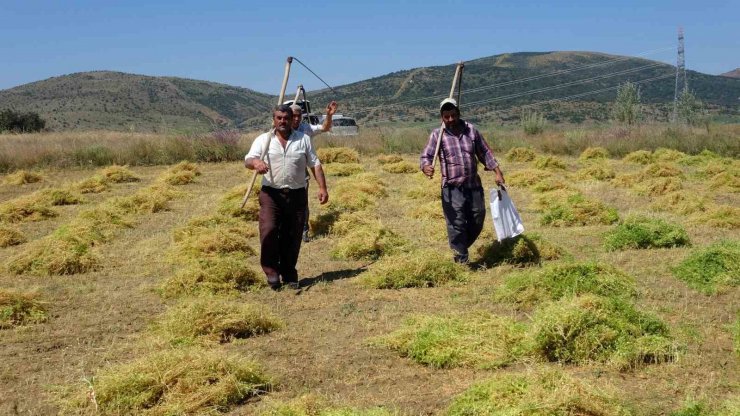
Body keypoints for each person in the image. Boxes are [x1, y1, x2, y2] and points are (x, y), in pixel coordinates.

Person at [245, 104, 329, 289]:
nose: (283, 121)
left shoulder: (303, 139)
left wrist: (322, 188)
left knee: (293, 235)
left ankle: (289, 273)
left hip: (297, 194)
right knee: (269, 230)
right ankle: (271, 272)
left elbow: (315, 164)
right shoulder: (263, 140)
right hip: (271, 194)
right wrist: (256, 163)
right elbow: (248, 160)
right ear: (273, 120)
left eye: (286, 118)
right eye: (279, 118)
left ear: (293, 119)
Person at [420, 98, 505, 264]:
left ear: (458, 113)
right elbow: (426, 156)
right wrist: (426, 167)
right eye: (446, 117)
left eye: (453, 115)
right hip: (452, 188)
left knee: (478, 218)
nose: (450, 119)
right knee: (456, 223)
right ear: (442, 118)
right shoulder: (438, 135)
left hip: (473, 186)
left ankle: (460, 247)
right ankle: (461, 260)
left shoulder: (471, 130)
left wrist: (497, 172)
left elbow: (485, 152)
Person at [289, 101, 338, 242]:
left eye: (299, 116)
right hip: (284, 174)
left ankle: (303, 230)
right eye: (293, 116)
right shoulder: (281, 130)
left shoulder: (306, 129)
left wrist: (329, 115)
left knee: (301, 203)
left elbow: (325, 127)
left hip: (301, 173)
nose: (296, 119)